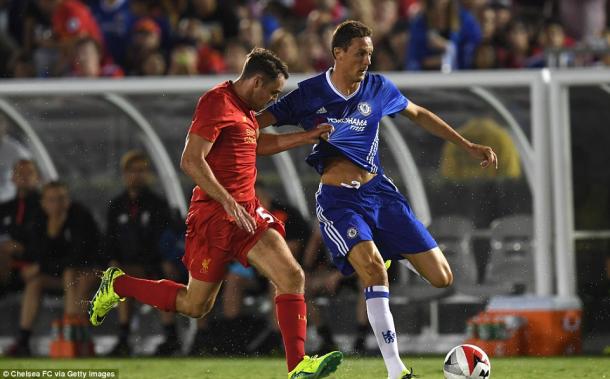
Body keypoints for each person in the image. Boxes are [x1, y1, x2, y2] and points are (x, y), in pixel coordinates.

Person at [256, 20, 498, 379]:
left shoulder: (378, 87)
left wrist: (466, 144)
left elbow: (419, 115)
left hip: (381, 195)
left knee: (443, 278)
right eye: (360, 53)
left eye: (369, 53)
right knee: (371, 270)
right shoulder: (308, 95)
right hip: (340, 201)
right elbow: (254, 130)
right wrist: (302, 137)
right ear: (337, 54)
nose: (367, 60)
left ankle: (385, 253)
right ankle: (395, 369)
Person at [89, 48, 343, 378]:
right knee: (196, 306)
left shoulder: (246, 110)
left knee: (292, 276)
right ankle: (119, 285)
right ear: (256, 81)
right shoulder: (216, 102)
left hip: (247, 214)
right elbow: (191, 160)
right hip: (214, 218)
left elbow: (257, 145)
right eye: (272, 92)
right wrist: (227, 201)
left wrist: (306, 137)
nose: (272, 99)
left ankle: (298, 366)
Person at [6, 181, 101, 356]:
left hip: (88, 274)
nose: (57, 204)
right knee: (35, 282)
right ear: (43, 202)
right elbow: (37, 254)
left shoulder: (80, 215)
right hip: (59, 276)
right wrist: (52, 233)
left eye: (61, 199)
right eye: (51, 200)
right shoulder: (39, 219)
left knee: (71, 274)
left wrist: (41, 266)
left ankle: (73, 336)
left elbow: (78, 257)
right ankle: (23, 340)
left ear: (68, 200)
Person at [104, 150, 180, 356]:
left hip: (153, 265)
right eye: (131, 171)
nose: (136, 175)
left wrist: (160, 261)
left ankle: (170, 336)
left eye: (141, 171)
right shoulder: (116, 206)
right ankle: (123, 337)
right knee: (119, 276)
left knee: (155, 278)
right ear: (124, 174)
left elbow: (164, 239)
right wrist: (111, 260)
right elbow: (110, 239)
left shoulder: (158, 204)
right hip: (126, 266)